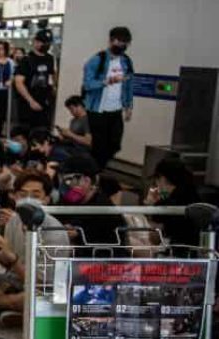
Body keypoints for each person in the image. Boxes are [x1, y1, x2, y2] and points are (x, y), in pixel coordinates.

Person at [82, 26, 134, 169]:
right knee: (99, 146)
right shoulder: (97, 60)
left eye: (125, 43)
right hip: (97, 110)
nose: (122, 45)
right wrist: (106, 82)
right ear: (111, 41)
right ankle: (95, 173)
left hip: (116, 109)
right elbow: (88, 85)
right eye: (119, 41)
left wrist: (128, 106)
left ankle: (95, 168)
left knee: (115, 144)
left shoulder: (126, 61)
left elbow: (129, 84)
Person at [55, 154, 124, 245]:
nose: (65, 185)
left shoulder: (104, 210)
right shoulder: (65, 202)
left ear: (87, 181)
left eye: (69, 179)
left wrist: (78, 234)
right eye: (62, 179)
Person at [145, 157, 200, 246]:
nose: (157, 187)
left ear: (162, 178)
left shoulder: (166, 205)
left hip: (180, 253)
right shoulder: (194, 196)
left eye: (156, 182)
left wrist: (152, 207)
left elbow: (154, 238)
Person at [14, 29, 57, 129]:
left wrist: (54, 88)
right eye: (43, 42)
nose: (46, 45)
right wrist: (31, 101)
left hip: (45, 101)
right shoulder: (26, 60)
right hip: (28, 103)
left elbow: (52, 75)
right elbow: (19, 83)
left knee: (43, 130)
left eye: (48, 42)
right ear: (36, 42)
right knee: (27, 131)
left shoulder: (50, 58)